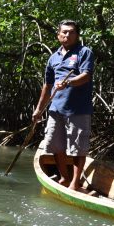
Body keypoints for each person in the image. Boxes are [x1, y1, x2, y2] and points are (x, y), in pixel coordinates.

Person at [32, 19, 95, 192]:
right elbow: (47, 85)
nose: (68, 35)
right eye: (64, 32)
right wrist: (38, 109)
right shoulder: (54, 57)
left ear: (77, 35)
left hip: (78, 110)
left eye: (72, 32)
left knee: (77, 148)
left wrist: (68, 82)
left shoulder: (84, 52)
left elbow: (86, 76)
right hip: (55, 109)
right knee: (55, 145)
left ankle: (75, 183)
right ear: (58, 35)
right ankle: (64, 178)